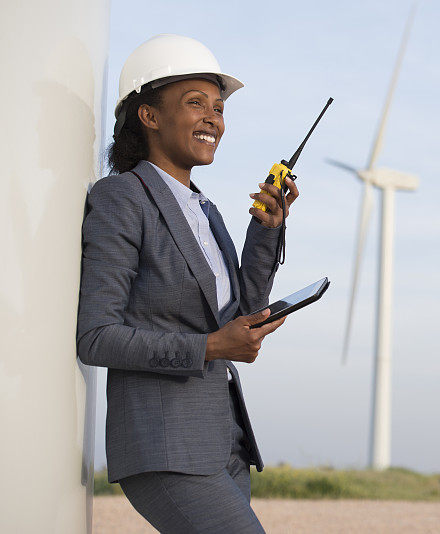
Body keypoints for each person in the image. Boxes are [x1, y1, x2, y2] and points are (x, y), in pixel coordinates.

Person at [76, 34, 296, 533]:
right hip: (164, 445)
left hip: (224, 442)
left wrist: (266, 230)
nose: (213, 119)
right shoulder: (121, 198)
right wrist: (211, 346)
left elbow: (244, 311)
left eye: (218, 108)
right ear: (148, 115)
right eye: (195, 103)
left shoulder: (206, 210)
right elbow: (95, 336)